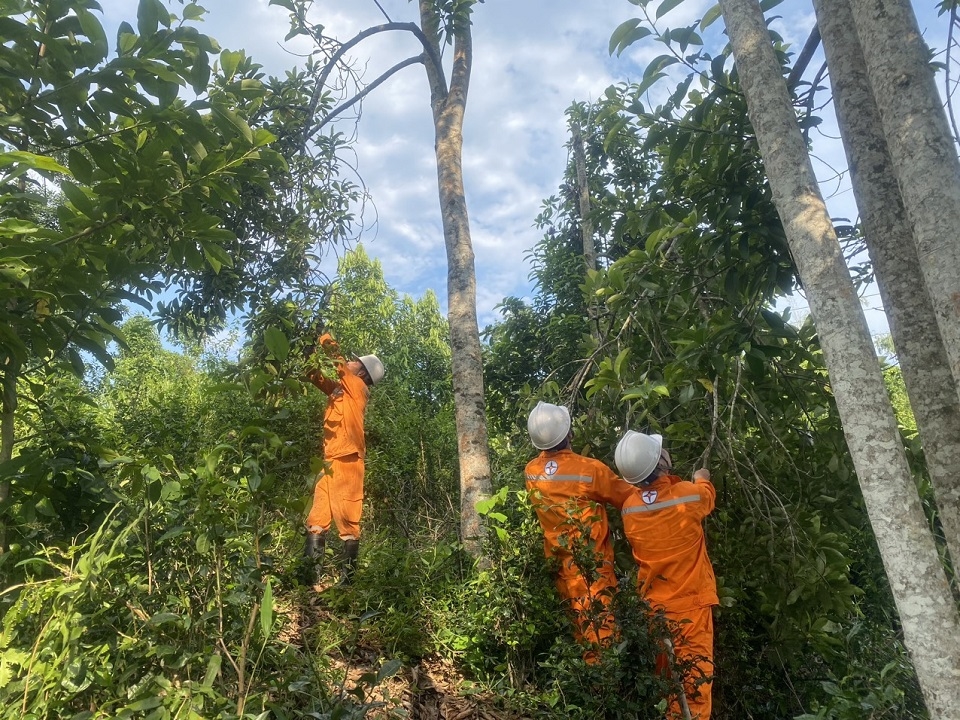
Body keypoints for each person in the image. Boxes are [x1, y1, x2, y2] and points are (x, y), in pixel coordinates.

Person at [615, 430, 718, 720]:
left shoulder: (629, 508)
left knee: (669, 685)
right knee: (694, 686)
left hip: (654, 611)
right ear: (660, 462)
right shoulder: (689, 493)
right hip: (690, 607)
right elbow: (706, 495)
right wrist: (702, 475)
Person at [524, 401, 638, 657]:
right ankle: (603, 694)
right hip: (591, 569)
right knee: (601, 638)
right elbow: (628, 498)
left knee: (580, 636)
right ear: (569, 434)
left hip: (558, 568)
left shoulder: (531, 471)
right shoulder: (590, 469)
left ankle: (584, 691)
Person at [303, 331, 384, 585]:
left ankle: (347, 582)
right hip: (330, 460)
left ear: (362, 372)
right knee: (316, 519)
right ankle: (311, 580)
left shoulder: (357, 387)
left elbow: (337, 362)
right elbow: (314, 376)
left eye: (355, 361)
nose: (349, 361)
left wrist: (323, 337)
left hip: (348, 460)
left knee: (348, 520)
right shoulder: (340, 389)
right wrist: (308, 351)